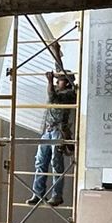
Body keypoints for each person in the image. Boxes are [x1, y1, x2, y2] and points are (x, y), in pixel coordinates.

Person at [28, 70, 77, 206]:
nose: (56, 82)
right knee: (40, 162)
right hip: (48, 130)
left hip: (58, 131)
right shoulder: (58, 90)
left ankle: (57, 195)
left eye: (60, 80)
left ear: (67, 83)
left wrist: (49, 81)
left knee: (56, 164)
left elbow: (52, 98)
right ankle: (37, 193)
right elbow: (58, 70)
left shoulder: (69, 94)